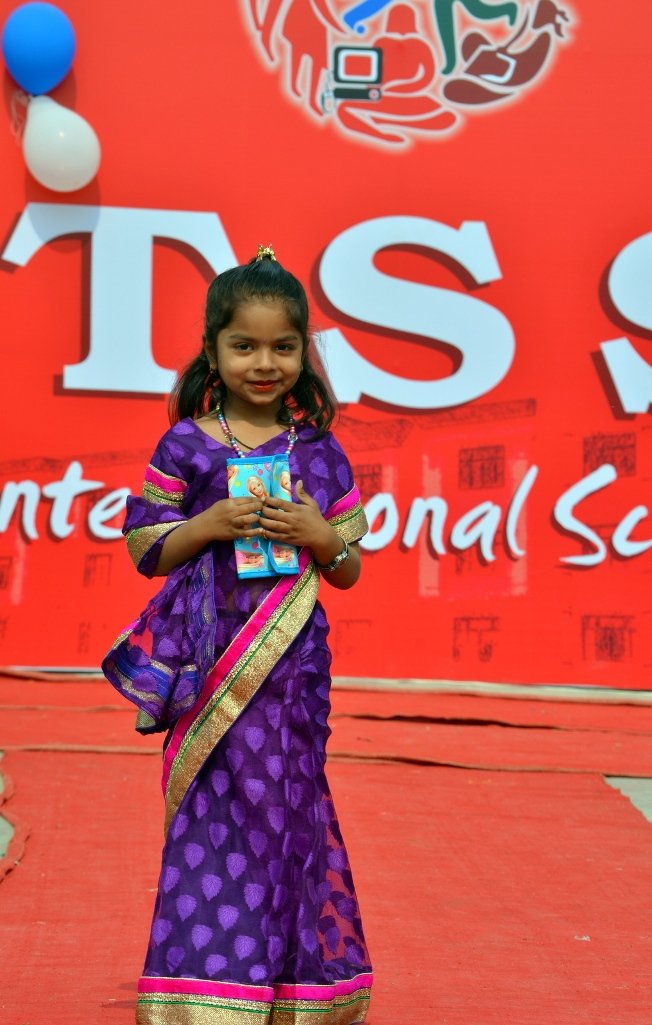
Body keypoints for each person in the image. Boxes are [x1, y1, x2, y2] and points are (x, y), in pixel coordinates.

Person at [102, 245, 373, 1025]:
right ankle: (206, 991)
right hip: (210, 665)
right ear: (213, 349)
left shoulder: (317, 452)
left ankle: (297, 991)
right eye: (245, 345)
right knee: (215, 814)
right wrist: (209, 522)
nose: (264, 363)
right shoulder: (187, 445)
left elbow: (349, 569)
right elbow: (146, 547)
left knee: (290, 811)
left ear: (303, 354)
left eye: (283, 346)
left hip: (292, 672)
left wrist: (322, 536)